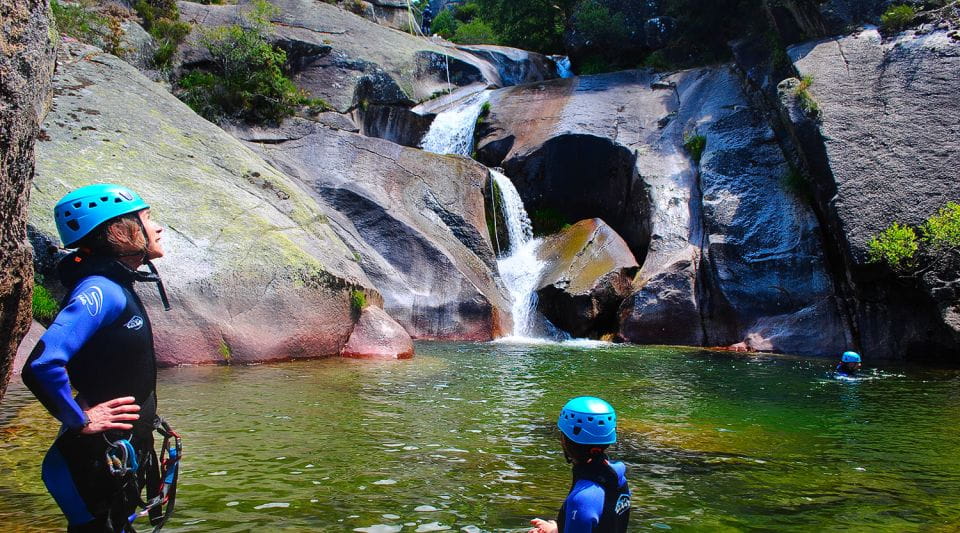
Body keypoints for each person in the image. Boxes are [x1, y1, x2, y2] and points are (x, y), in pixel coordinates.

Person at [22, 184, 176, 532]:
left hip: (110, 456)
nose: (158, 228)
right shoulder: (100, 290)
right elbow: (43, 364)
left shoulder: (116, 285)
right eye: (147, 219)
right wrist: (79, 420)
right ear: (121, 231)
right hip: (88, 462)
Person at [529, 397, 631, 533]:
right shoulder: (616, 479)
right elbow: (605, 524)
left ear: (565, 441)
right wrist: (557, 529)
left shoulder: (581, 499)